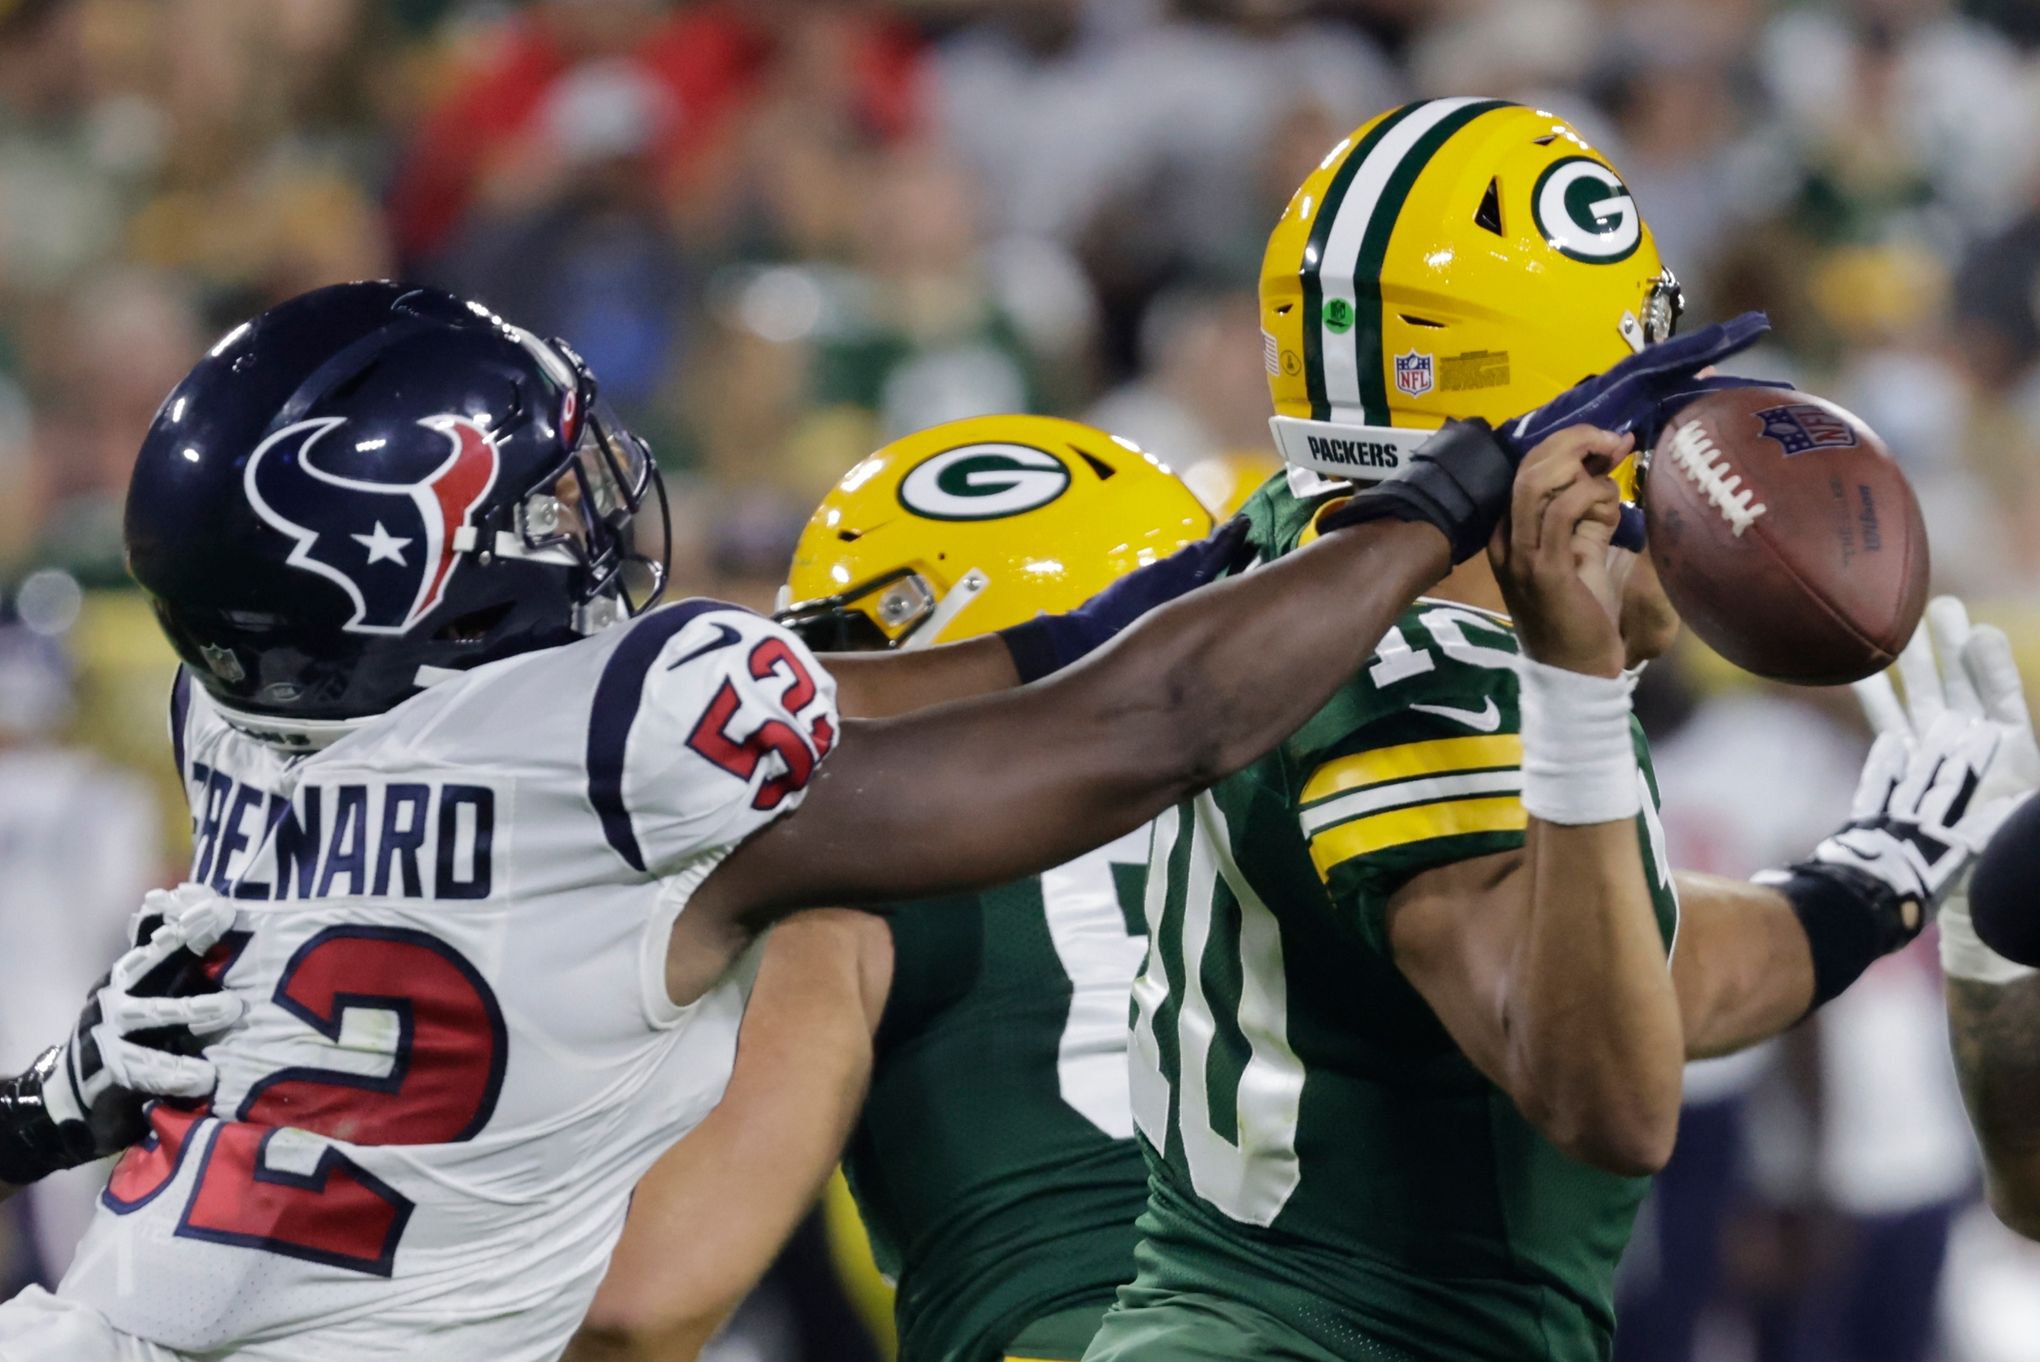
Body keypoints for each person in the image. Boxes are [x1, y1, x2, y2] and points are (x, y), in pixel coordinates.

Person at [0, 280, 1740, 1360]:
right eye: (542, 492)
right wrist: (1429, 499)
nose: (587, 514)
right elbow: (1152, 722)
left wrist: (45, 1106)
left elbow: (985, 682)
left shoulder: (230, 717)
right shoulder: (628, 745)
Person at [1080, 99, 2018, 1362]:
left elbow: (1624, 974)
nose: (1655, 432)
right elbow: (1604, 1090)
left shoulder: (1302, 554)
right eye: (1630, 382)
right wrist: (1581, 700)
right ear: (1535, 410)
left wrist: (1868, 884)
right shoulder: (1429, 660)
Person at [574, 414, 1216, 1362]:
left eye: (849, 648)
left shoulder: (853, 873)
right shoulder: (1322, 817)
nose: (824, 696)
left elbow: (645, 1305)